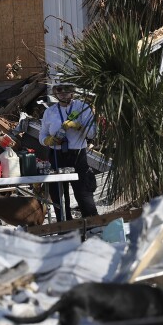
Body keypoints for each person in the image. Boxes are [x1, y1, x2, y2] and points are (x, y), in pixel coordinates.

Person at [38, 79, 99, 222]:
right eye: (60, 90)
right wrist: (48, 141)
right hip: (57, 155)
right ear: (55, 92)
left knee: (83, 193)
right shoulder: (50, 111)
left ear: (73, 90)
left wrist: (78, 126)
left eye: (67, 89)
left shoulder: (83, 107)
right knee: (58, 194)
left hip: (77, 155)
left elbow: (93, 134)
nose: (64, 93)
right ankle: (64, 229)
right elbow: (42, 135)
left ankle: (92, 225)